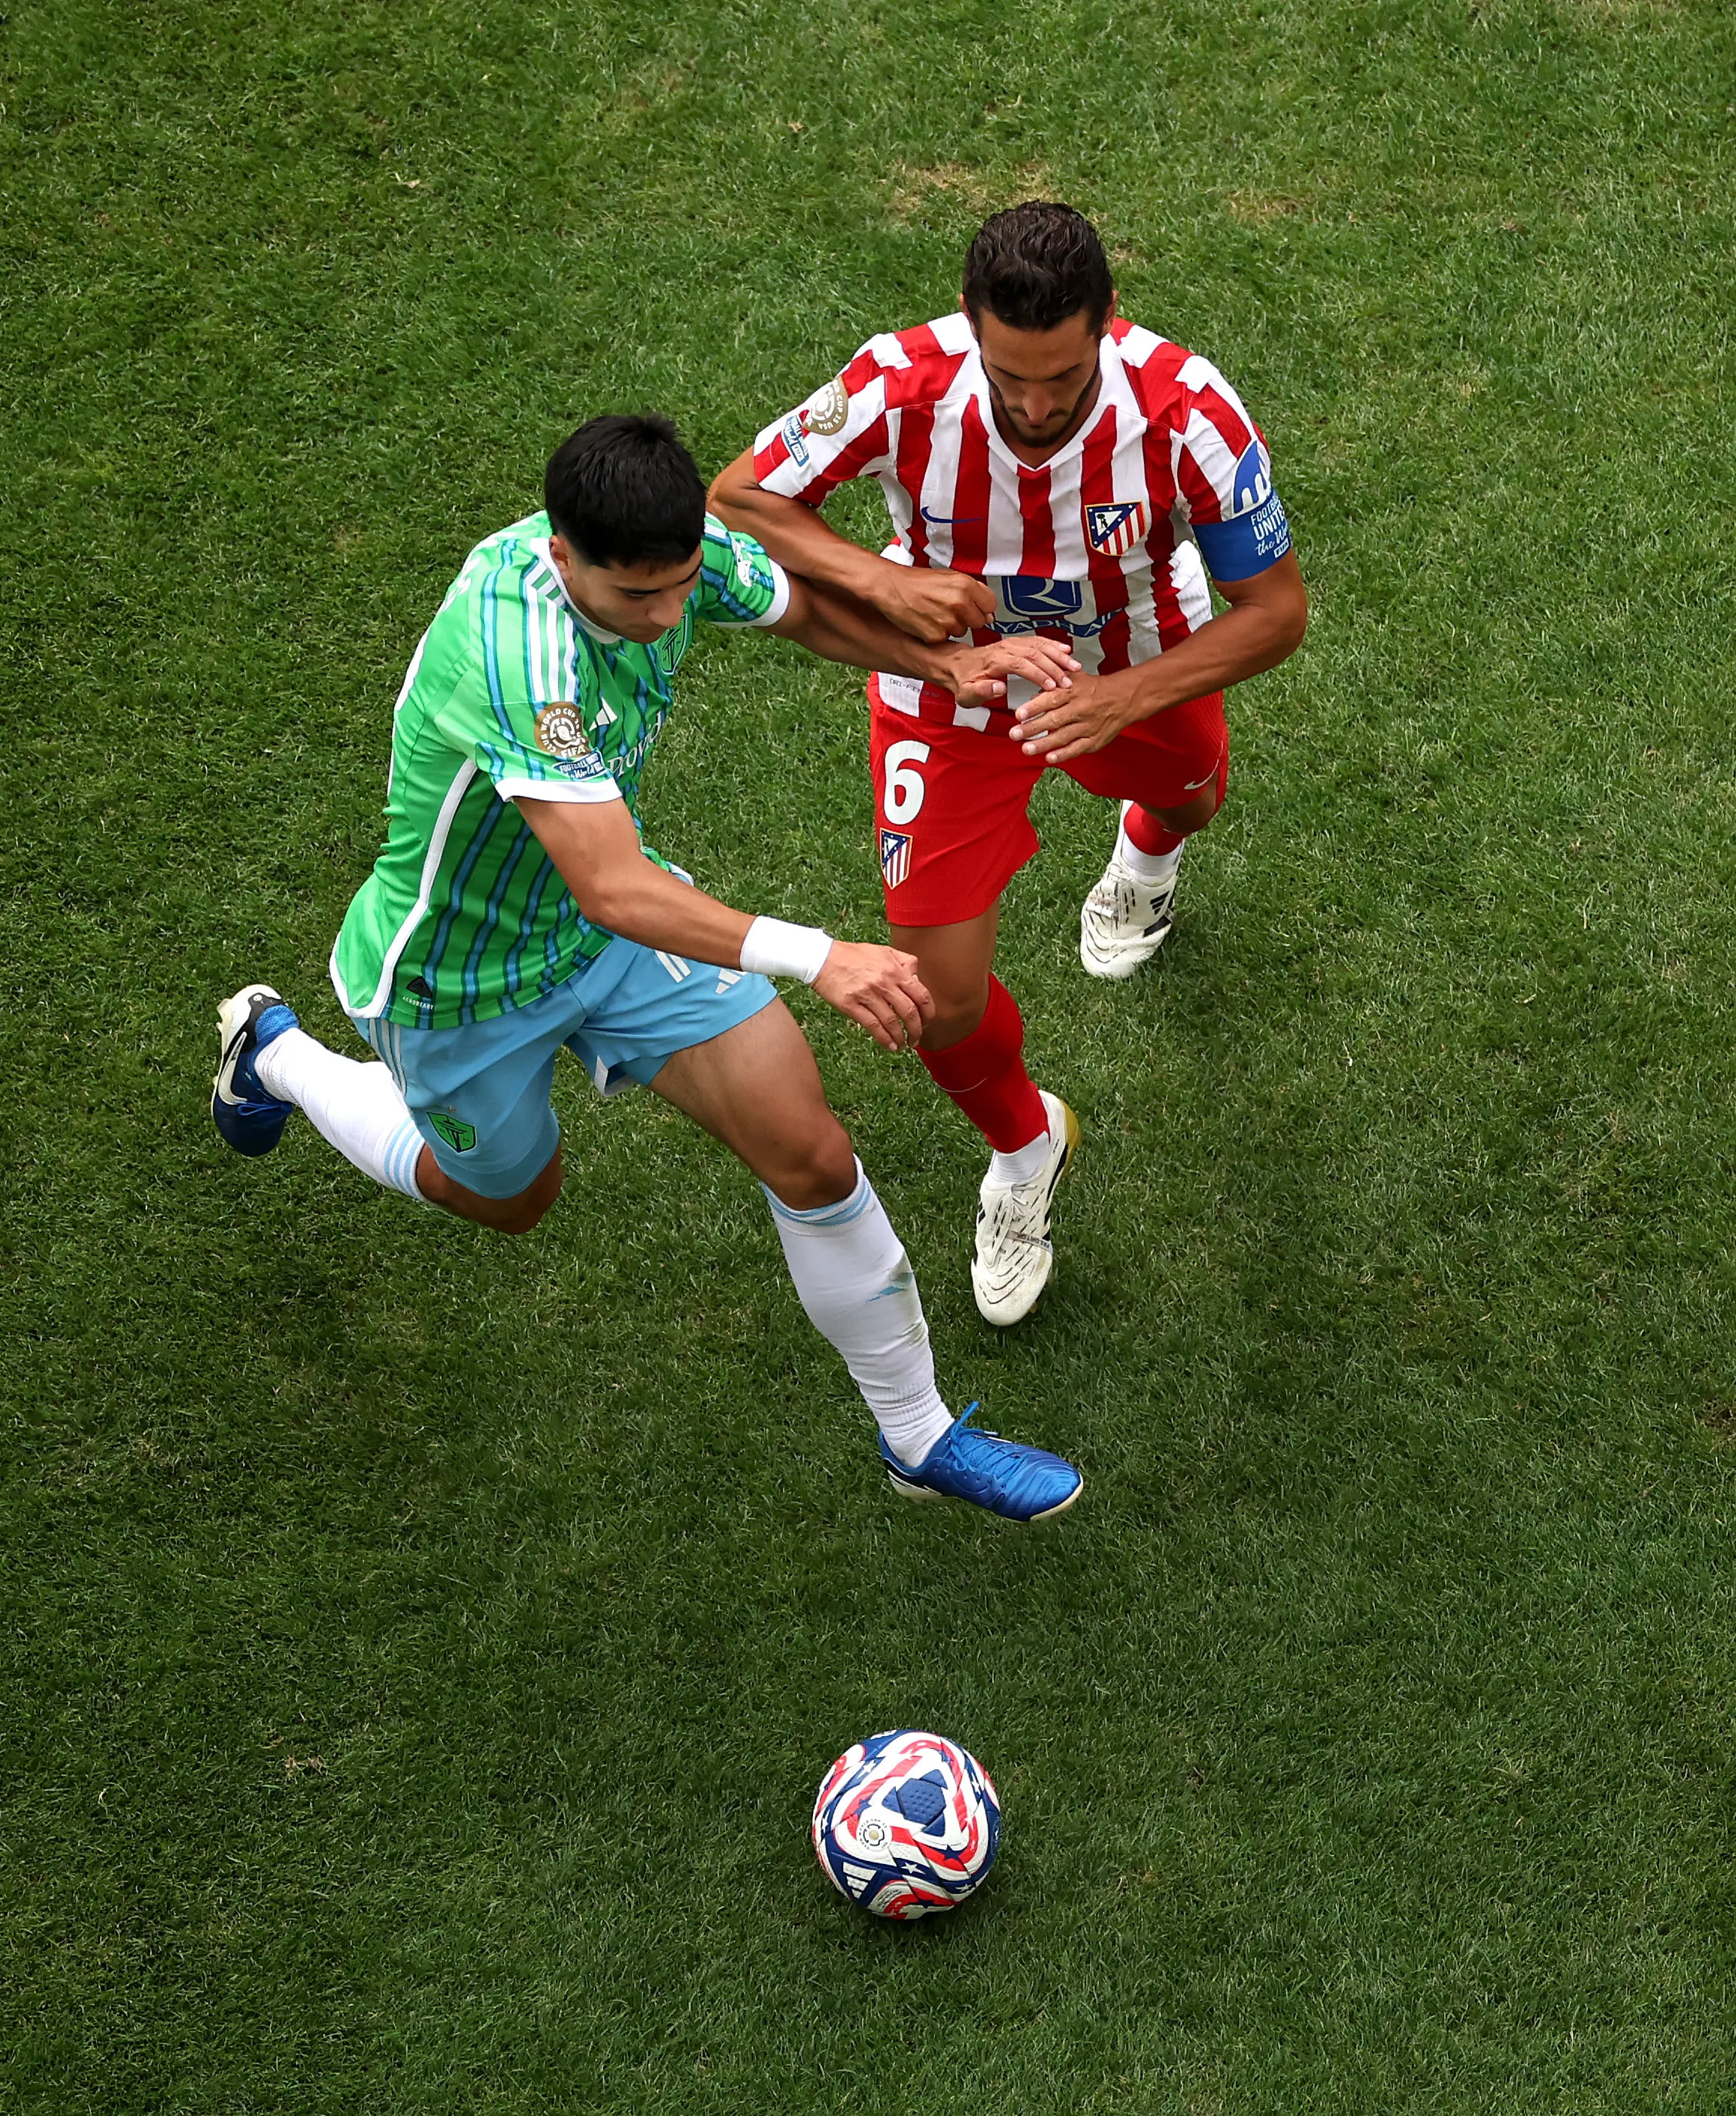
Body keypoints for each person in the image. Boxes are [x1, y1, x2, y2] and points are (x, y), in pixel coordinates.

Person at [210, 414, 1085, 1521]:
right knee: (509, 1200)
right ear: (564, 552)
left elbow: (795, 607)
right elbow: (609, 882)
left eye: (678, 588)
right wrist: (820, 958)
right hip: (459, 981)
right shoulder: (513, 652)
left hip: (610, 939)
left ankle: (917, 1434)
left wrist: (945, 665)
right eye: (637, 600)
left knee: (808, 1151)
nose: (668, 616)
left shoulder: (674, 551)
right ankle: (276, 1056)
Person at [710, 201, 1310, 1328]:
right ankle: (1026, 1149)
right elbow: (739, 497)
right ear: (969, 327)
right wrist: (883, 583)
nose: (1035, 409)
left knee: (1194, 799)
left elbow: (1274, 613)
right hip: (950, 689)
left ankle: (1144, 857)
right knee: (934, 998)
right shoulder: (899, 382)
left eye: (1063, 379)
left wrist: (1118, 698)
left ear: (1107, 329)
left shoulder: (1188, 412)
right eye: (1008, 377)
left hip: (1133, 667)